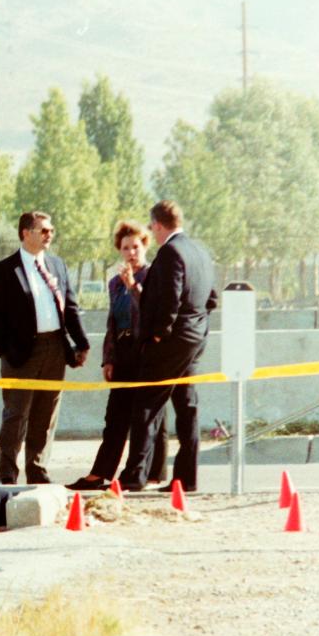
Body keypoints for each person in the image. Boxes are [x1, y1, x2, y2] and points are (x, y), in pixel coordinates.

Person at [0, 211, 90, 484]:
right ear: (25, 233)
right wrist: (3, 350)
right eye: (43, 230)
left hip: (55, 347)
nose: (49, 234)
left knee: (46, 414)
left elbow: (71, 307)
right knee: (16, 414)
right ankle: (8, 473)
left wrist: (82, 342)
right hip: (20, 353)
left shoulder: (58, 265)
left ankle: (37, 470)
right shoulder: (4, 270)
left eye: (51, 230)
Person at [118, 201, 218, 494]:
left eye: (152, 228)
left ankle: (135, 475)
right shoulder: (200, 250)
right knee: (187, 408)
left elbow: (170, 298)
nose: (153, 233)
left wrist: (159, 334)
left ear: (159, 225)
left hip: (172, 342)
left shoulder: (171, 252)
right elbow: (211, 298)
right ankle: (186, 479)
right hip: (195, 338)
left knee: (146, 405)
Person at [66, 221, 168, 490]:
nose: (131, 253)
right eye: (126, 248)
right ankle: (100, 472)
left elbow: (149, 312)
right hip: (123, 352)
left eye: (136, 247)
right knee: (115, 416)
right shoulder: (114, 283)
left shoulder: (152, 275)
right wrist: (108, 358)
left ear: (145, 246)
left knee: (148, 415)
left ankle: (153, 472)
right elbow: (113, 322)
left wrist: (133, 285)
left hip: (146, 351)